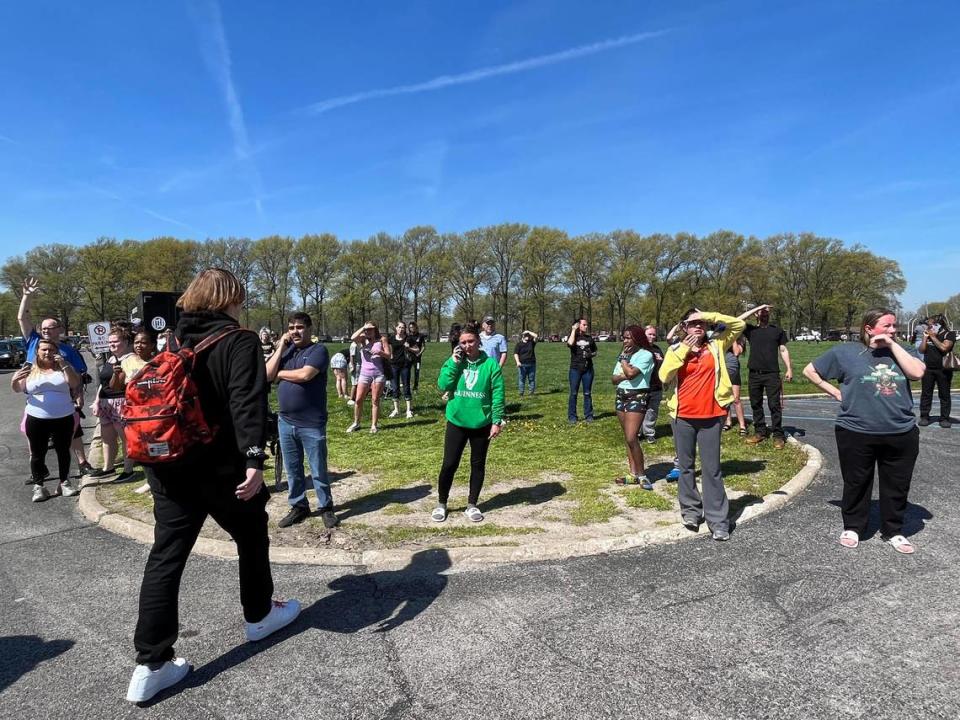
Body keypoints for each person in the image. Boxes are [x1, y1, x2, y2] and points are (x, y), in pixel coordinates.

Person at [126, 268, 299, 704]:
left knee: (166, 556)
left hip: (168, 468)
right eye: (239, 298)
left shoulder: (174, 341)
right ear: (227, 300)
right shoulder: (237, 340)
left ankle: (151, 664)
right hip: (221, 468)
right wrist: (254, 460)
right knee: (251, 534)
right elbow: (247, 401)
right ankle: (259, 615)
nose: (241, 305)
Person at [802, 308, 926, 554]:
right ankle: (854, 526)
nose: (893, 329)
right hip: (856, 430)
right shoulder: (845, 352)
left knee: (897, 483)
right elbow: (810, 371)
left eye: (894, 326)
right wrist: (835, 391)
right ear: (869, 328)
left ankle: (894, 530)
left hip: (900, 431)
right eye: (887, 326)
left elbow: (917, 373)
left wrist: (891, 344)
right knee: (857, 481)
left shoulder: (903, 351)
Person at [659, 308, 745, 541]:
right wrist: (685, 348)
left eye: (702, 324)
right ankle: (691, 512)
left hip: (711, 416)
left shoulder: (716, 345)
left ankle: (718, 520)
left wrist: (709, 315)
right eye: (693, 323)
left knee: (712, 468)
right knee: (685, 467)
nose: (698, 327)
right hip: (683, 417)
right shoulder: (675, 349)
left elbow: (738, 325)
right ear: (684, 327)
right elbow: (664, 376)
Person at [266, 312, 337, 530]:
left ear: (309, 329)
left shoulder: (318, 351)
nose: (295, 331)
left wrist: (282, 373)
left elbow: (306, 375)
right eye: (291, 327)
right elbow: (268, 375)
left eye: (299, 327)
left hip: (311, 423)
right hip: (286, 421)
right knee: (293, 468)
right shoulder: (286, 352)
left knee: (317, 468)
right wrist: (279, 348)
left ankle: (326, 507)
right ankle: (299, 505)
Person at [18, 277, 92, 473]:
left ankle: (83, 464)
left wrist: (80, 399)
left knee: (73, 434)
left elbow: (79, 378)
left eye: (50, 327)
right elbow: (22, 319)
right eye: (43, 328)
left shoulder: (69, 351)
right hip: (36, 402)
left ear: (59, 329)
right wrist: (27, 297)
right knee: (33, 438)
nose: (45, 330)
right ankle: (37, 472)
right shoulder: (33, 342)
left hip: (65, 401)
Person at [432, 323, 505, 523]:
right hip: (457, 420)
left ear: (478, 341)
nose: (467, 346)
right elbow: (443, 385)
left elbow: (497, 394)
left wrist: (497, 420)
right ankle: (441, 503)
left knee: (478, 464)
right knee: (449, 464)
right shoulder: (455, 361)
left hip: (481, 423)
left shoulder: (490, 365)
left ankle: (472, 504)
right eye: (463, 342)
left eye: (471, 341)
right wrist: (454, 363)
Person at [10, 339, 83, 501]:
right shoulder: (30, 369)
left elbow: (74, 383)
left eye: (51, 350)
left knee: (63, 451)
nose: (48, 353)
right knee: (37, 453)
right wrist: (14, 380)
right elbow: (18, 389)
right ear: (37, 351)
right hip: (36, 418)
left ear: (56, 352)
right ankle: (39, 486)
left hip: (63, 417)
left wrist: (64, 364)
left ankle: (64, 482)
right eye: (44, 350)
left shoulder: (64, 367)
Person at [90, 327, 139, 482]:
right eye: (110, 341)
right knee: (107, 438)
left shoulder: (131, 359)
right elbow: (103, 384)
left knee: (125, 438)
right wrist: (97, 401)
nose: (112, 344)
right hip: (105, 403)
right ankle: (108, 467)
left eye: (116, 341)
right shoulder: (110, 359)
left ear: (125, 342)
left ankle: (128, 470)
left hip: (121, 402)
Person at [741, 304, 793, 449]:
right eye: (761, 312)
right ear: (756, 314)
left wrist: (789, 368)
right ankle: (760, 432)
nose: (764, 313)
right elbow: (736, 320)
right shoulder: (751, 330)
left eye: (766, 311)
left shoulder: (777, 331)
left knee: (774, 405)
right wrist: (755, 309)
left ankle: (778, 435)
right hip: (754, 374)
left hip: (772, 374)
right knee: (755, 404)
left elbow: (783, 349)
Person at [611, 326, 655, 488]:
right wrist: (625, 370)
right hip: (621, 395)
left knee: (631, 436)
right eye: (624, 338)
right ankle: (633, 474)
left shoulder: (646, 355)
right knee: (628, 438)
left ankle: (642, 475)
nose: (625, 341)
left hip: (637, 395)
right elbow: (614, 379)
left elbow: (631, 374)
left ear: (637, 338)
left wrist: (623, 361)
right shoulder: (624, 356)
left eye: (628, 338)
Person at [347, 322, 390, 433]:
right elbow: (352, 338)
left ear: (375, 329)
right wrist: (363, 327)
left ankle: (374, 425)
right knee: (358, 399)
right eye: (366, 329)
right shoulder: (362, 339)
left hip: (378, 373)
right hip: (364, 374)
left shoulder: (382, 340)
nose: (368, 331)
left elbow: (389, 355)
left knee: (375, 400)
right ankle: (356, 423)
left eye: (370, 329)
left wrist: (380, 352)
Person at [917, 314, 955, 428]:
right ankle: (924, 416)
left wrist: (933, 337)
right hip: (928, 368)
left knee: (944, 394)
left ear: (939, 324)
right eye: (929, 324)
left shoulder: (949, 334)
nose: (929, 326)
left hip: (943, 369)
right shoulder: (928, 334)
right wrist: (925, 338)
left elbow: (944, 348)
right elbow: (922, 350)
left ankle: (944, 418)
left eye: (932, 324)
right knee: (926, 393)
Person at [567, 318, 597, 423]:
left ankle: (589, 415)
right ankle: (572, 416)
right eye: (584, 324)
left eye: (586, 324)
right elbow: (570, 344)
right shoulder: (573, 337)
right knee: (573, 393)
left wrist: (590, 355)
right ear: (578, 325)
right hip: (575, 369)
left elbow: (595, 352)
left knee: (587, 393)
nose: (586, 326)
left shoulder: (589, 338)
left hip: (588, 369)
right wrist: (573, 330)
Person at [641, 325, 665, 444]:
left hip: (656, 386)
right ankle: (637, 432)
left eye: (653, 334)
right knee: (639, 410)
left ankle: (649, 433)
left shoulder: (657, 349)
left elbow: (664, 366)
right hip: (642, 386)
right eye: (649, 334)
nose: (652, 336)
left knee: (652, 411)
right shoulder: (639, 349)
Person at [387, 321, 414, 418]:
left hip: (405, 365)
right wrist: (389, 356)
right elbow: (387, 348)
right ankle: (396, 410)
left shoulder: (408, 338)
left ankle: (408, 410)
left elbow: (417, 349)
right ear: (396, 328)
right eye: (399, 327)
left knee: (406, 386)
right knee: (395, 387)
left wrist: (409, 347)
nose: (401, 329)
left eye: (403, 327)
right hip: (394, 365)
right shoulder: (391, 339)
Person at [723, 335, 748, 435]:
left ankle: (742, 425)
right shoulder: (723, 337)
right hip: (723, 370)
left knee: (736, 399)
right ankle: (728, 422)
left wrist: (732, 337)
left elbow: (737, 352)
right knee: (725, 398)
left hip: (733, 371)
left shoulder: (740, 338)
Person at [513, 330, 538, 396]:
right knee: (522, 379)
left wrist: (528, 331)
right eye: (525, 335)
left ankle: (531, 392)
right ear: (523, 336)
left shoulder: (531, 343)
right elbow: (515, 354)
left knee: (531, 379)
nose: (527, 336)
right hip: (522, 365)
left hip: (532, 364)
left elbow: (536, 336)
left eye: (528, 335)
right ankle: (521, 393)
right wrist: (518, 362)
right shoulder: (519, 344)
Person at [406, 321, 425, 391]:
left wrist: (420, 353)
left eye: (413, 327)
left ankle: (415, 387)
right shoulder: (408, 336)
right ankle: (407, 385)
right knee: (407, 371)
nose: (412, 328)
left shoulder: (420, 336)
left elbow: (424, 346)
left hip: (417, 358)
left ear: (416, 327)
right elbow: (406, 346)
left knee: (417, 372)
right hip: (409, 357)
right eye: (410, 327)